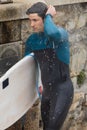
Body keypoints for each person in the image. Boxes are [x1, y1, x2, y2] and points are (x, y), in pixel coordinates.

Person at [25, 2, 74, 130]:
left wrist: (49, 16)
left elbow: (51, 33)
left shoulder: (60, 34)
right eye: (30, 20)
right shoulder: (32, 41)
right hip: (46, 93)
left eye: (35, 20)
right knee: (47, 127)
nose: (32, 24)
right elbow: (26, 67)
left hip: (63, 90)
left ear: (45, 19)